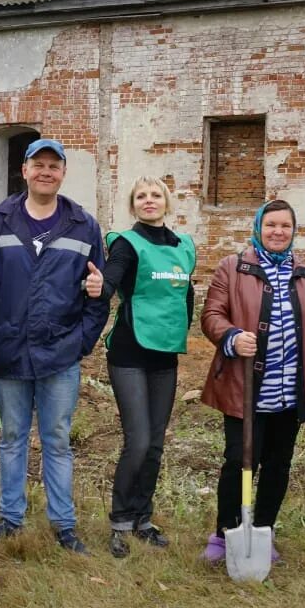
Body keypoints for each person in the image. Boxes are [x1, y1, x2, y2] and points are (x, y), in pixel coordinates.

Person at [0, 138, 107, 554]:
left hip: (59, 353)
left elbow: (97, 292)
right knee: (12, 436)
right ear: (25, 171)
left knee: (56, 437)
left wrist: (81, 342)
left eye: (54, 165)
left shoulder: (83, 225)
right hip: (9, 349)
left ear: (63, 173)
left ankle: (63, 523)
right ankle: (10, 517)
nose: (46, 172)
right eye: (39, 164)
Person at [199, 199, 305, 563]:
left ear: (294, 231)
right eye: (271, 225)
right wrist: (230, 336)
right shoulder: (233, 267)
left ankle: (263, 530)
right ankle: (224, 534)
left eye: (285, 226)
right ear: (258, 227)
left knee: (278, 465)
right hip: (244, 390)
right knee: (238, 461)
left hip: (289, 392)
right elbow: (211, 314)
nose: (278, 232)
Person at [98, 177, 196, 558]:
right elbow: (110, 280)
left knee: (155, 444)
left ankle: (143, 519)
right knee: (137, 441)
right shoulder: (126, 243)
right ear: (133, 204)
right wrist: (98, 286)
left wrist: (177, 331)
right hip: (129, 353)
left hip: (164, 356)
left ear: (166, 203)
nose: (149, 200)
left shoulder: (184, 247)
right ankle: (120, 522)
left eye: (156, 195)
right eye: (141, 196)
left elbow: (187, 293)